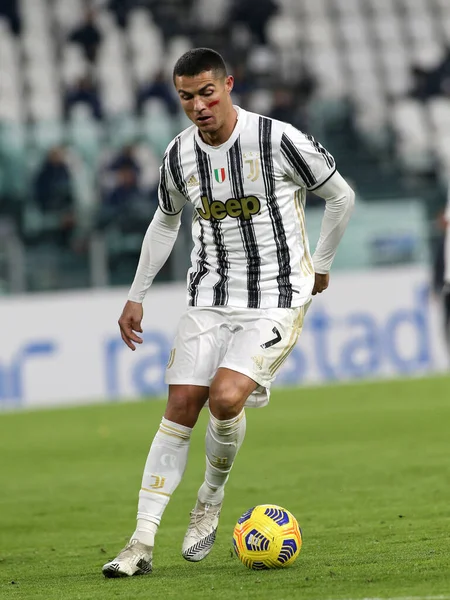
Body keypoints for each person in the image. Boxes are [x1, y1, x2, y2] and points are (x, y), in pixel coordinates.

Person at [102, 48, 355, 577]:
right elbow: (166, 222)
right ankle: (140, 542)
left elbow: (341, 197)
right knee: (180, 407)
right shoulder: (178, 155)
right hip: (208, 298)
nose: (198, 106)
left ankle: (210, 498)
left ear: (228, 85)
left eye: (206, 93)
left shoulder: (278, 139)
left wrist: (321, 265)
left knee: (225, 397)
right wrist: (135, 294)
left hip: (276, 295)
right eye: (186, 97)